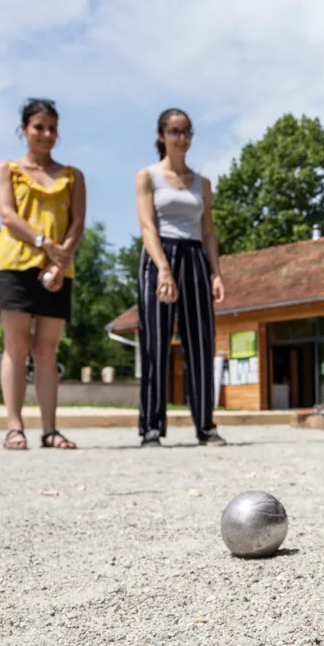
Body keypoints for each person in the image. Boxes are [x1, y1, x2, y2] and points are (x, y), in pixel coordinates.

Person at [0, 98, 86, 450]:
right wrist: (45, 243)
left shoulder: (72, 176)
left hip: (58, 269)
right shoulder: (7, 169)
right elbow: (8, 216)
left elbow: (77, 223)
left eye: (52, 128)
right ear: (24, 130)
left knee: (46, 350)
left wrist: (60, 260)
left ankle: (50, 429)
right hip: (13, 265)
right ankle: (15, 426)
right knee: (16, 346)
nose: (46, 134)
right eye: (39, 127)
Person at [135, 108, 226, 447]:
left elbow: (208, 233)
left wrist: (216, 273)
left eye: (187, 131)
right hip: (160, 255)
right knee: (156, 343)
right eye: (174, 132)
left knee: (201, 342)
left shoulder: (202, 183)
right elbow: (147, 226)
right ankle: (151, 428)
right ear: (162, 136)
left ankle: (205, 424)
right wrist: (163, 268)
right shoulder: (147, 176)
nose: (182, 138)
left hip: (194, 257)